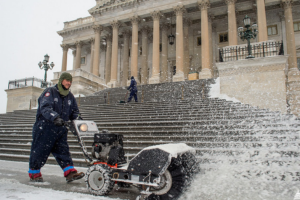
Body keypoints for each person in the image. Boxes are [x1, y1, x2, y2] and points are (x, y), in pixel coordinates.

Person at [28, 72, 84, 182]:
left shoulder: (70, 96)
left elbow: (75, 112)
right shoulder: (50, 92)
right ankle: (34, 173)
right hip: (45, 127)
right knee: (39, 150)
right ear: (61, 80)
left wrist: (78, 121)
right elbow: (45, 107)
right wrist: (54, 117)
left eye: (70, 81)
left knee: (63, 151)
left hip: (60, 129)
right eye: (67, 80)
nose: (69, 83)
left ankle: (69, 172)